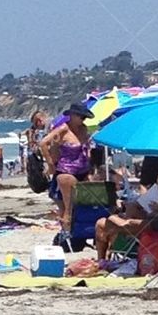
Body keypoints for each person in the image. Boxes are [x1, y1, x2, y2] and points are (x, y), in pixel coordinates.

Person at [38, 101, 95, 248]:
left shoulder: (83, 129)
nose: (83, 119)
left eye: (85, 117)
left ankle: (80, 235)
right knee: (67, 209)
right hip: (66, 171)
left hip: (83, 170)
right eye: (81, 116)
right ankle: (67, 238)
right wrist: (50, 163)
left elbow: (86, 147)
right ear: (72, 116)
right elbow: (43, 143)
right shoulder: (63, 129)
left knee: (86, 205)